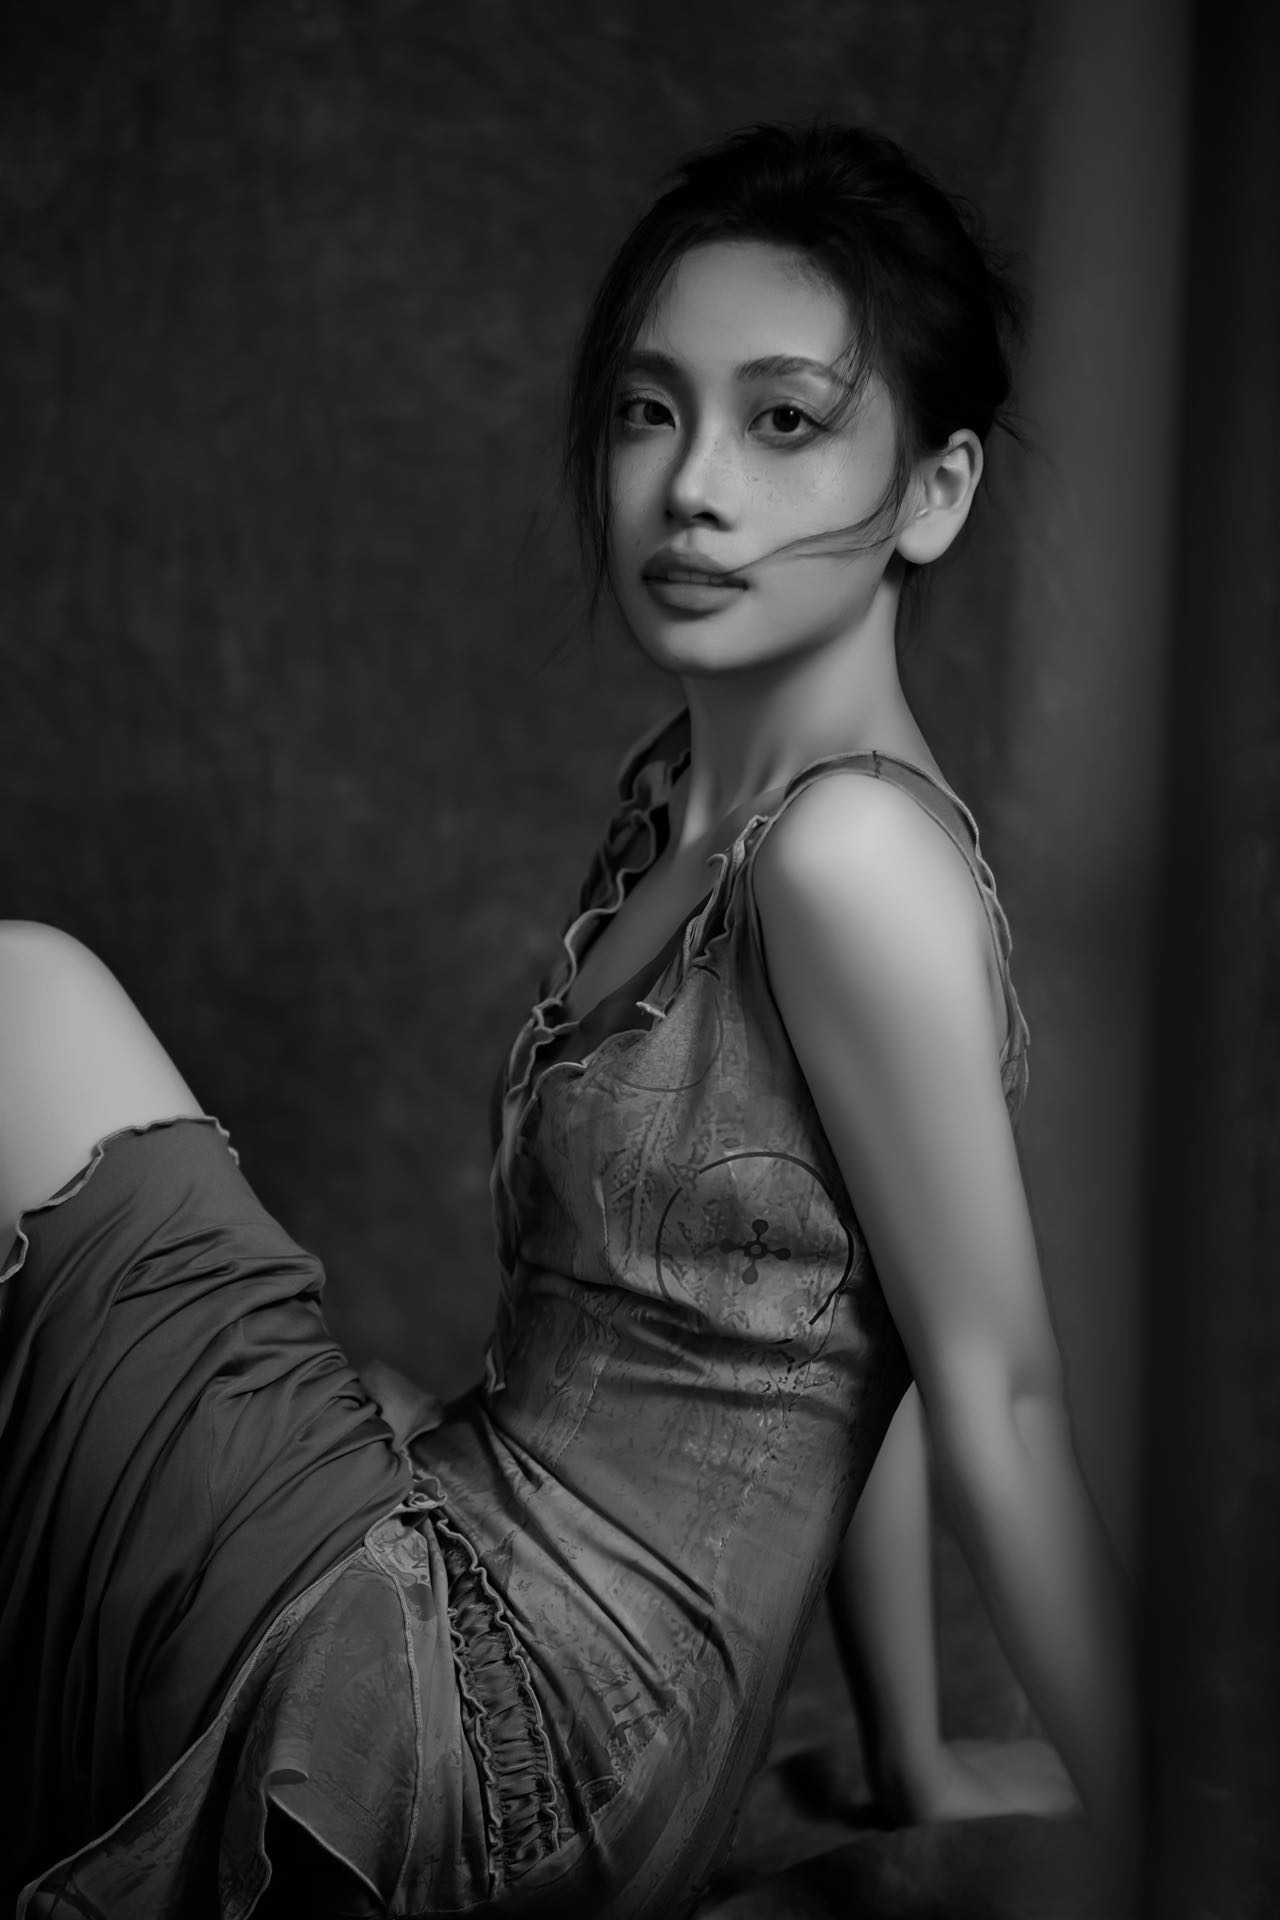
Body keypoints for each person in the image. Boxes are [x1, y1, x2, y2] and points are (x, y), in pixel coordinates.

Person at [0, 121, 1137, 1917]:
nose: (692, 488)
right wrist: (908, 1753)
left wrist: (1160, 1846)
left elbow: (992, 1384)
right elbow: (869, 1340)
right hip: (479, 1598)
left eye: (785, 420)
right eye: (646, 411)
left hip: (516, 1741)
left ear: (936, 491)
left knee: (24, 996)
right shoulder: (683, 800)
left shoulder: (851, 859)